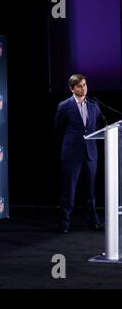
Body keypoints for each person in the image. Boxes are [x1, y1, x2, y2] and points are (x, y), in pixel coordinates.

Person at [55, 74, 105, 233]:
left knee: (90, 191)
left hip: (90, 153)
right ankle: (65, 223)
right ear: (72, 88)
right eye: (79, 86)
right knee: (69, 190)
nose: (83, 88)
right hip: (71, 154)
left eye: (85, 85)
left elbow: (96, 125)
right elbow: (58, 128)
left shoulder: (94, 104)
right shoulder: (64, 106)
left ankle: (93, 222)